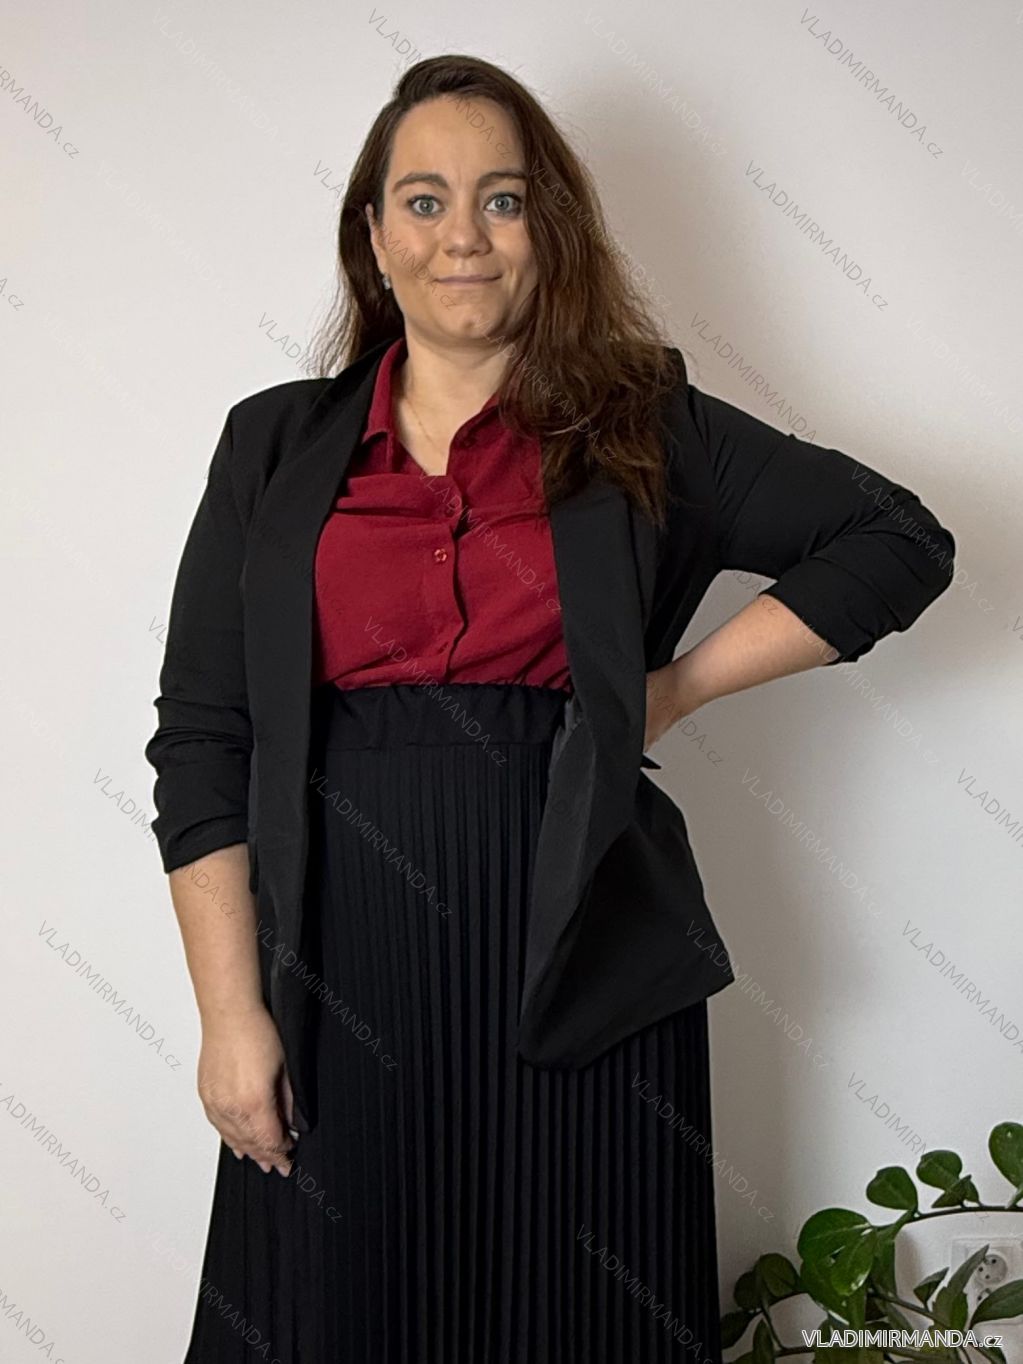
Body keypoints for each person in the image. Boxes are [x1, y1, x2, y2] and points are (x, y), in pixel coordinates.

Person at [144, 54, 955, 1364]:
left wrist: (671, 691)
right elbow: (203, 741)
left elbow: (897, 539)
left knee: (579, 1322)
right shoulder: (272, 446)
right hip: (337, 971)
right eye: (424, 199)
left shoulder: (645, 424)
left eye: (504, 200)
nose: (462, 234)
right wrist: (230, 1019)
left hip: (589, 956)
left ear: (550, 230)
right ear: (373, 237)